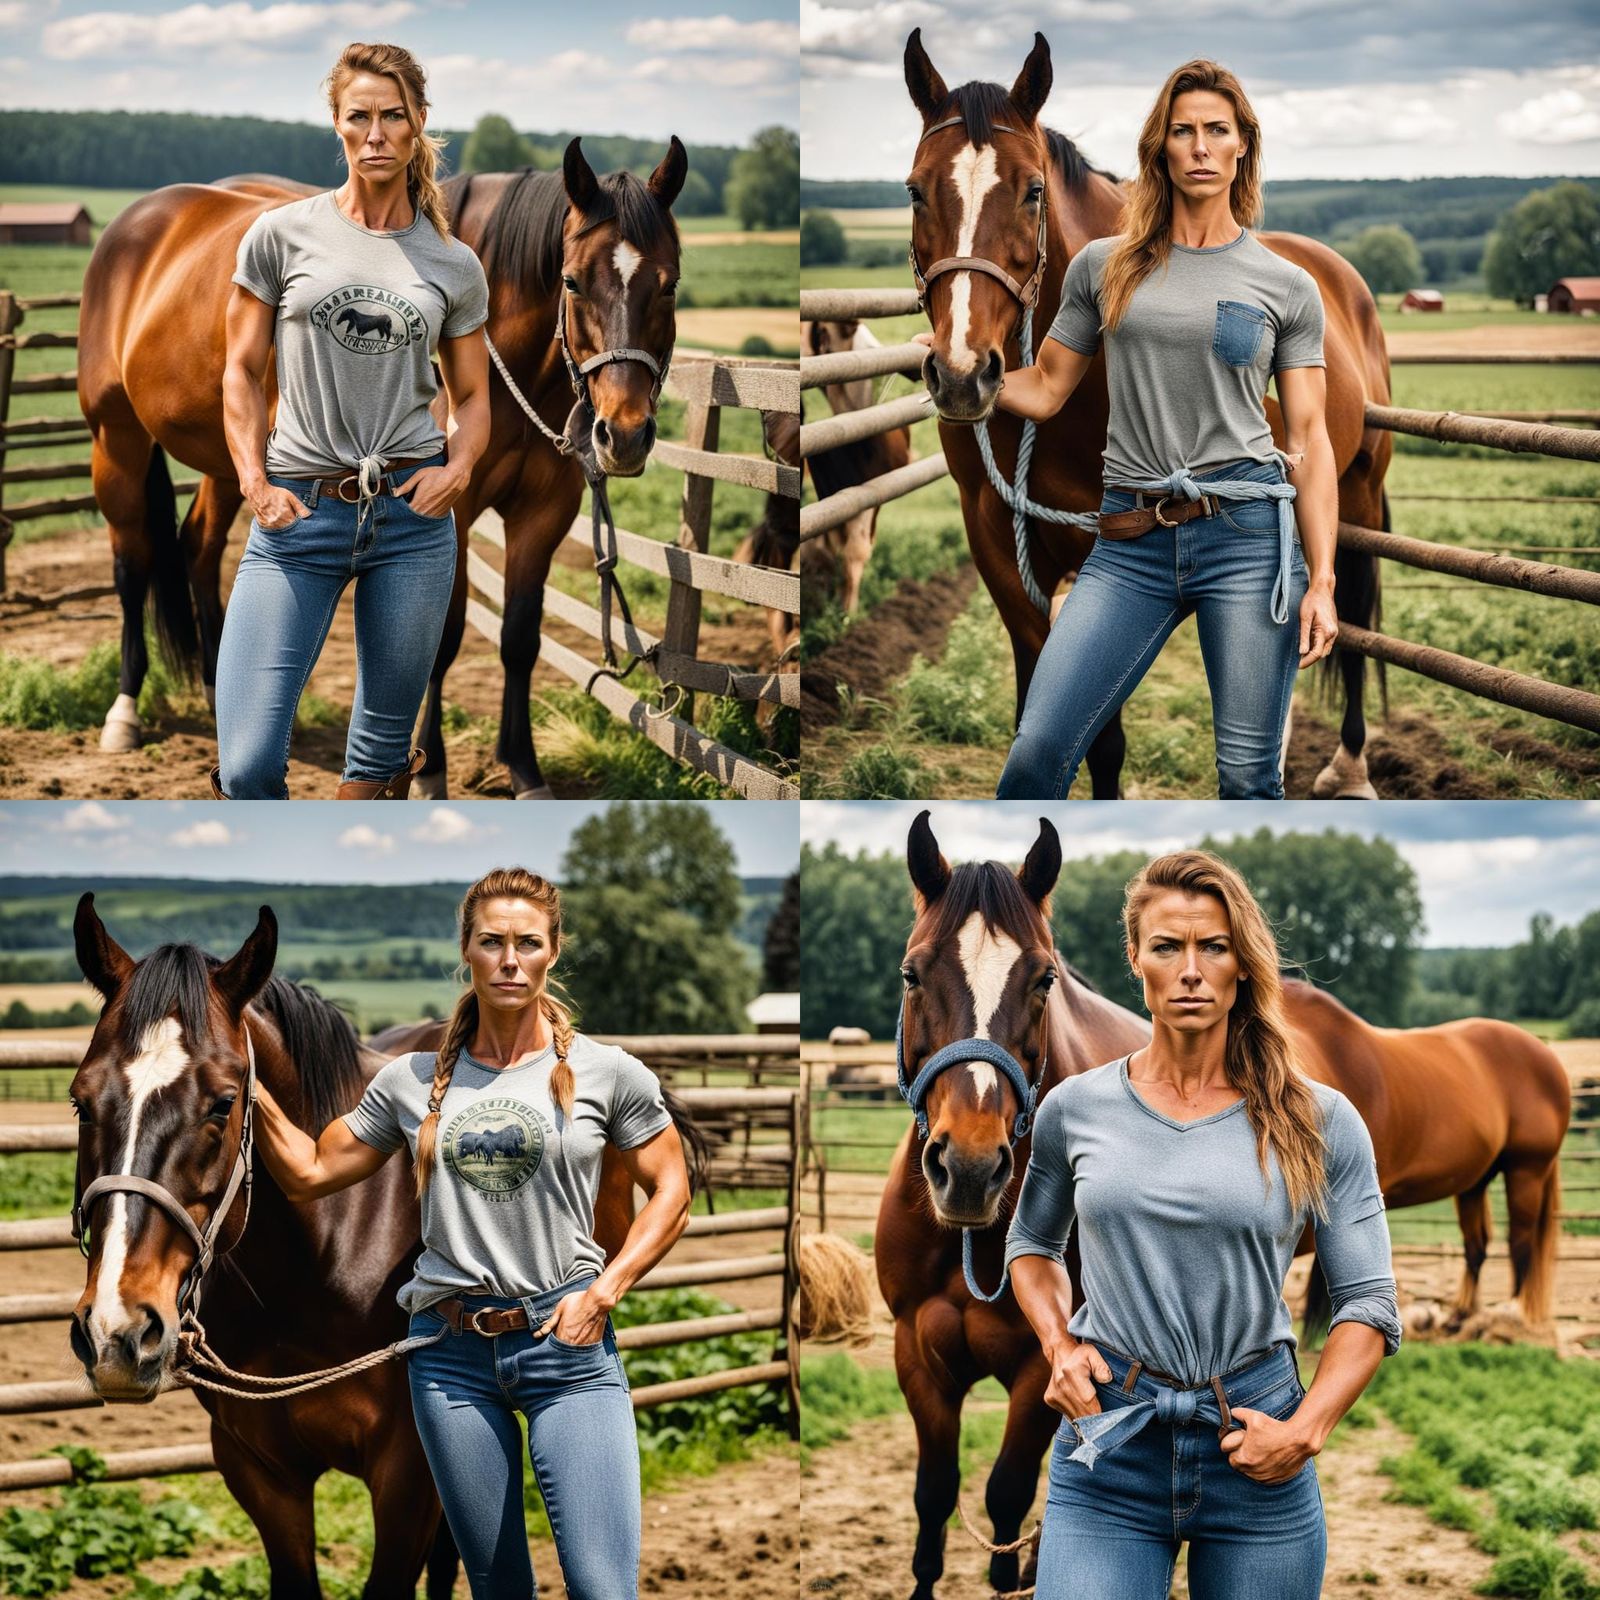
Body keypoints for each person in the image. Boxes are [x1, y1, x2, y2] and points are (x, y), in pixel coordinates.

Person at [250, 866, 691, 1600]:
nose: (510, 960)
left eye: (527, 942)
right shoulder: (408, 1080)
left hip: (567, 1346)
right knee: (497, 1589)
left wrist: (605, 1293)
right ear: (467, 950)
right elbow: (310, 1170)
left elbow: (671, 1191)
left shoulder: (607, 1072)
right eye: (492, 942)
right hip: (448, 1359)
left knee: (602, 1588)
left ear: (553, 950)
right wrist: (245, 1077)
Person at [1004, 850, 1400, 1600]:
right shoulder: (1072, 1110)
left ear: (1242, 965)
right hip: (1109, 1447)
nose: (1190, 969)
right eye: (1167, 946)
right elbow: (1031, 1245)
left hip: (1258, 1443)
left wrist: (1306, 1429)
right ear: (1135, 959)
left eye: (1212, 947)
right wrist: (1058, 1345)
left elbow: (1368, 1304)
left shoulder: (1322, 1120)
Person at [990, 59, 1338, 800]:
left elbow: (1310, 438)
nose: (1201, 146)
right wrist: (964, 373)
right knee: (1035, 754)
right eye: (1184, 132)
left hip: (1246, 539)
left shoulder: (1286, 285)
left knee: (1249, 781)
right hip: (1128, 546)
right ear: (1162, 147)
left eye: (1218, 130)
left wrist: (1323, 582)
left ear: (1243, 144)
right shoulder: (1102, 267)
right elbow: (1048, 386)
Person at [215, 41, 491, 799]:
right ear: (336, 125)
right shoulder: (280, 235)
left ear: (419, 125)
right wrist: (252, 481)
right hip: (297, 515)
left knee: (376, 764)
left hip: (412, 523)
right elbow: (239, 370)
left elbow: (472, 399)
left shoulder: (452, 264)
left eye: (392, 117)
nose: (375, 133)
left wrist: (457, 469)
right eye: (359, 116)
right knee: (245, 767)